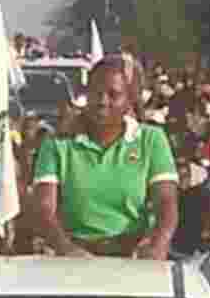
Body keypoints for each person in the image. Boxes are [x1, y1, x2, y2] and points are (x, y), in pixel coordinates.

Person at [32, 56, 178, 259]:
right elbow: (44, 209)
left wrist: (158, 244)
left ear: (129, 100)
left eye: (113, 95)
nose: (102, 101)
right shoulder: (57, 143)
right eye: (96, 93)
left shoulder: (151, 140)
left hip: (133, 256)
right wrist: (67, 249)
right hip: (72, 257)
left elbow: (166, 202)